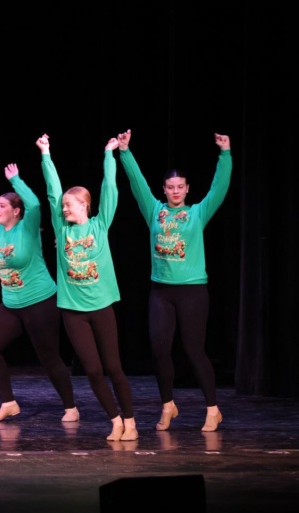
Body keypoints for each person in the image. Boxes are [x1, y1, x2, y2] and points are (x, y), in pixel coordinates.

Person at [117, 129, 231, 432]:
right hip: (161, 292)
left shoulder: (197, 213)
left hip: (193, 291)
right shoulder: (154, 210)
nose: (176, 191)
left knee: (194, 351)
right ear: (164, 190)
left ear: (187, 189)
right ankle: (168, 405)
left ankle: (213, 410)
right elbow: (137, 184)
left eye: (180, 187)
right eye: (171, 187)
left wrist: (225, 154)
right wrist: (125, 152)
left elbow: (219, 189)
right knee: (159, 350)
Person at [38, 134, 137, 441]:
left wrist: (109, 154)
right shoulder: (61, 228)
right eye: (63, 206)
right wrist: (46, 154)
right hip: (73, 311)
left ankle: (131, 422)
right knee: (92, 370)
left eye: (69, 205)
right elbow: (53, 191)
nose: (64, 209)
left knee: (114, 368)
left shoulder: (100, 225)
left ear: (84, 205)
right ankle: (115, 420)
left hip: (102, 306)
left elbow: (110, 189)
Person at [0, 163, 78, 422]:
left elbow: (35, 204)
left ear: (16, 211)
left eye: (2, 206)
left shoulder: (27, 226)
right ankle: (8, 403)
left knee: (49, 357)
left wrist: (16, 181)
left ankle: (70, 408)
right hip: (11, 303)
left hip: (40, 301)